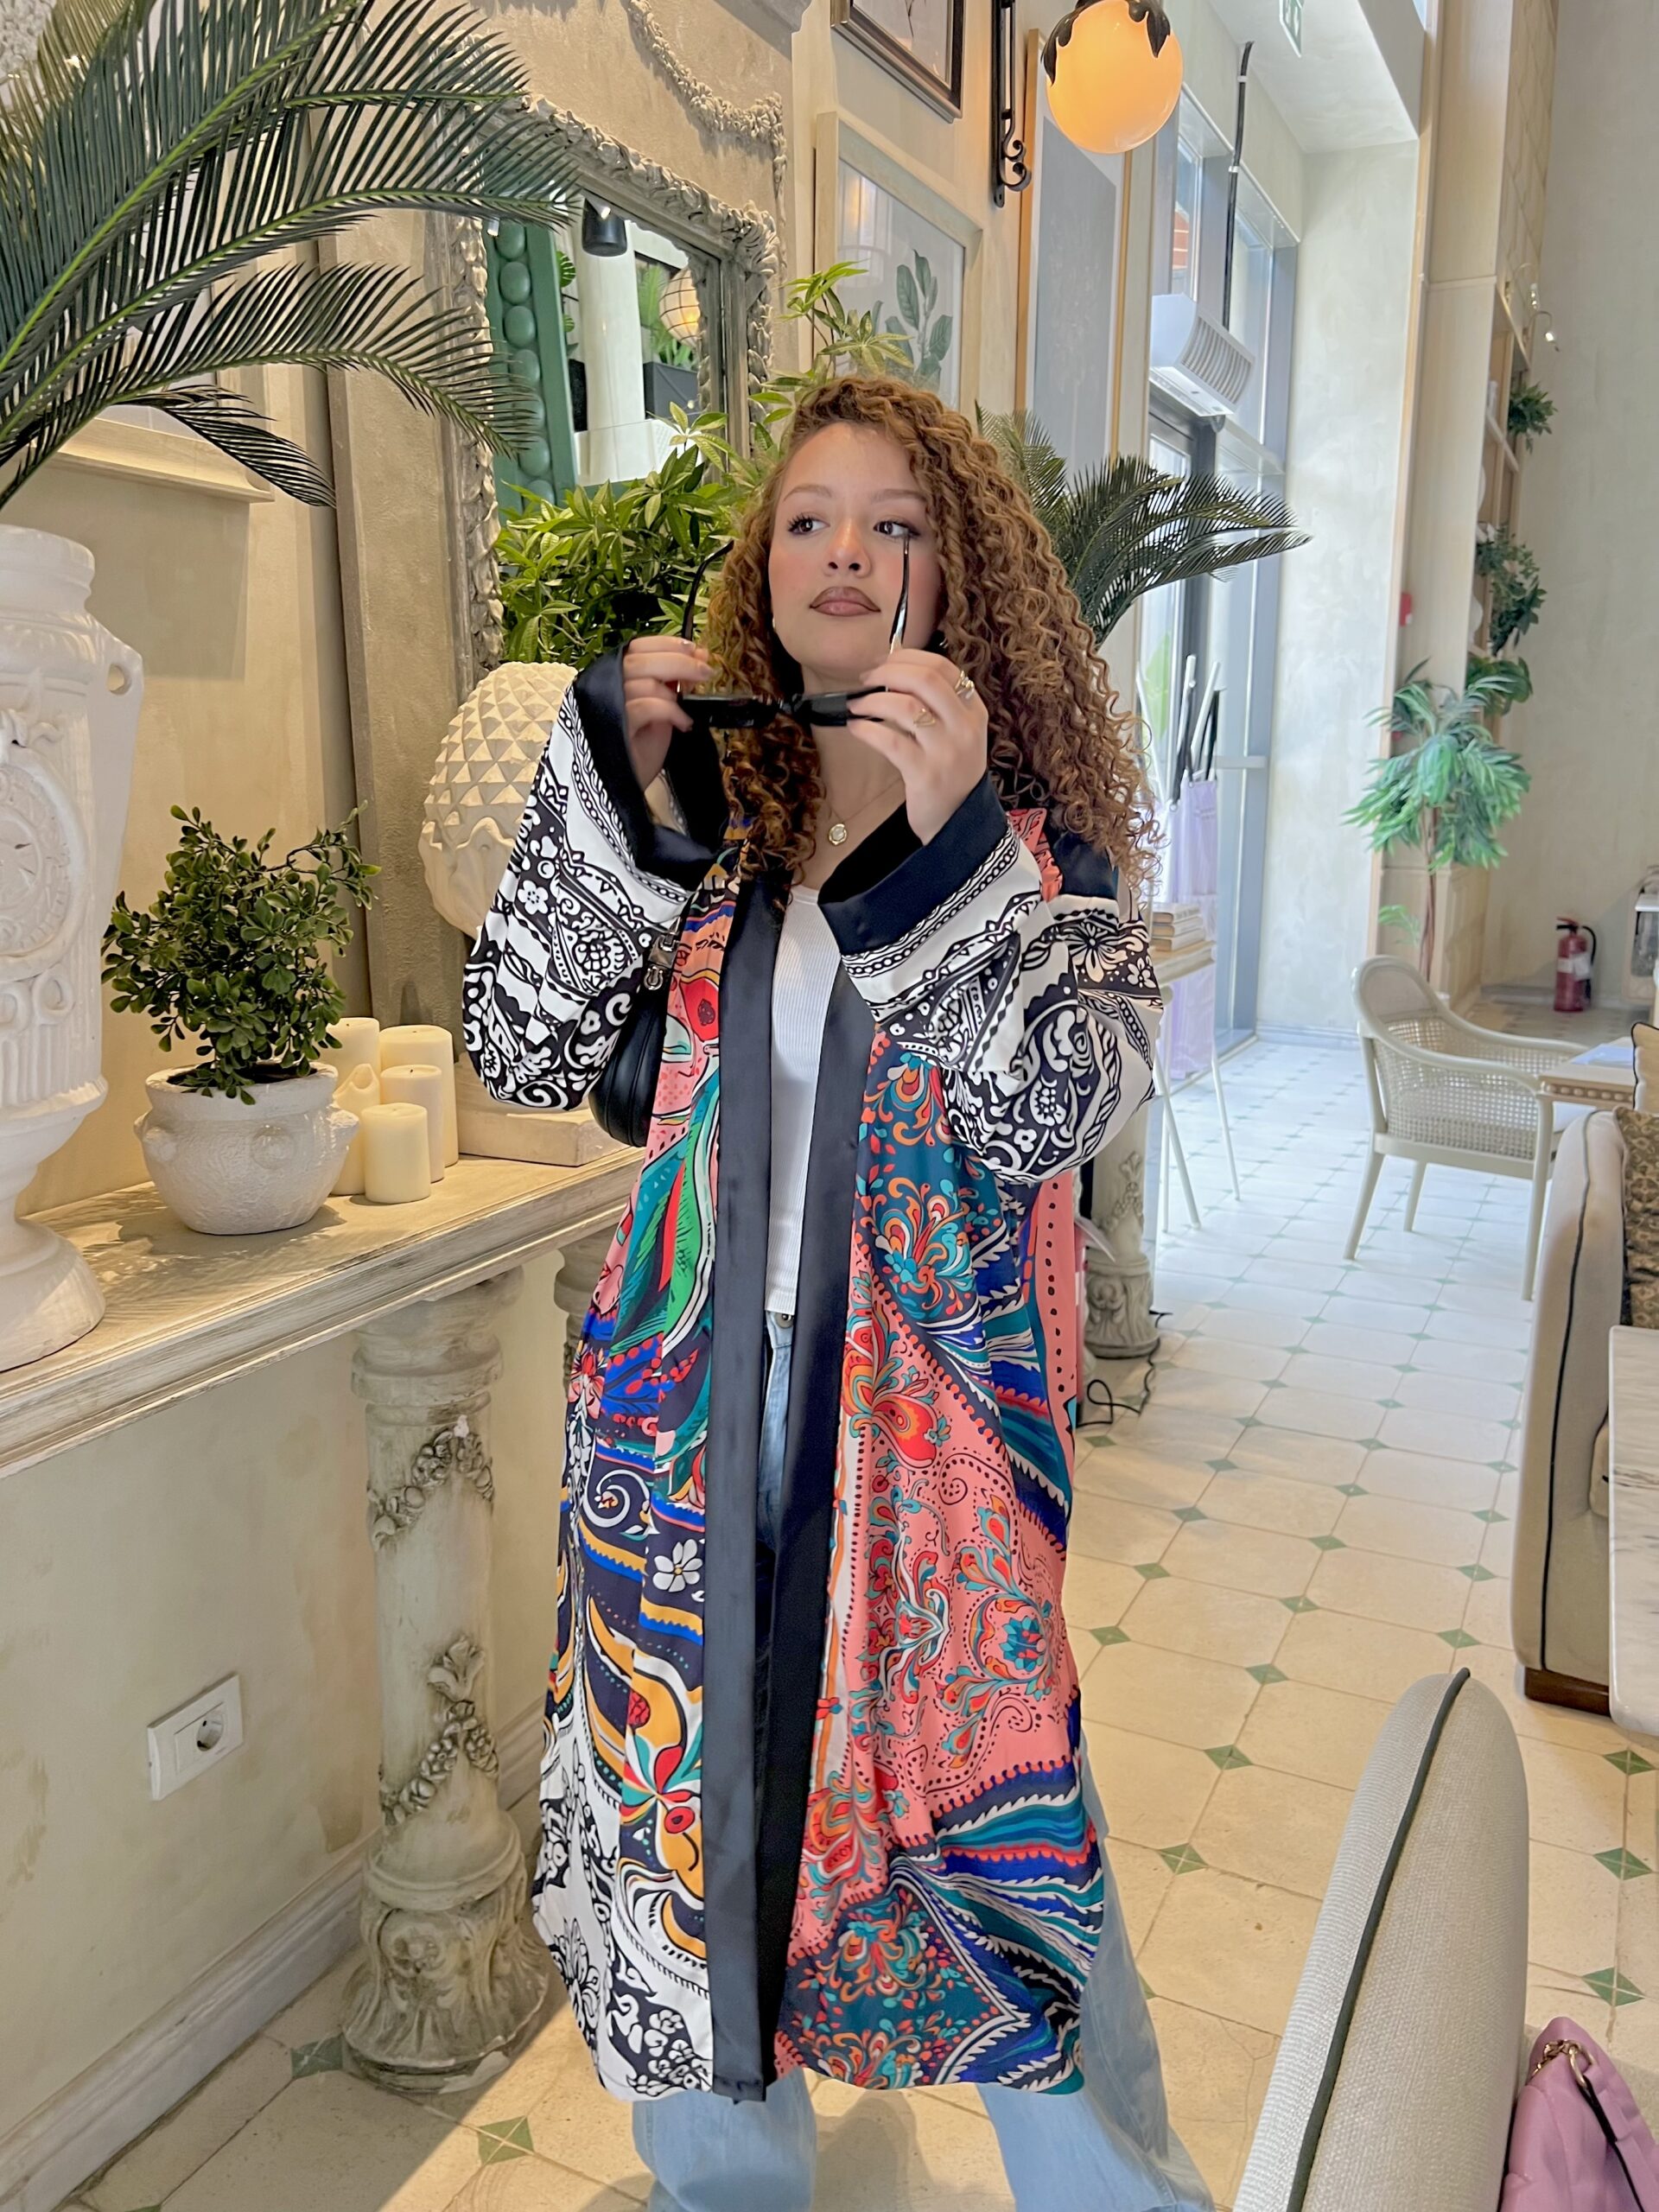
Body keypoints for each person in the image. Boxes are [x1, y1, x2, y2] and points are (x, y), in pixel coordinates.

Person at [462, 373, 1209, 2212]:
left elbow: (1058, 1109)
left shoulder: (1046, 861)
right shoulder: (716, 851)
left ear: (959, 579)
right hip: (683, 1427)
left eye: (895, 522)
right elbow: (522, 1044)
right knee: (690, 1830)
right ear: (766, 574)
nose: (846, 551)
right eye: (809, 519)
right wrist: (602, 791)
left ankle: (1125, 2191)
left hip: (929, 1447)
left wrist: (947, 851)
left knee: (1000, 1842)